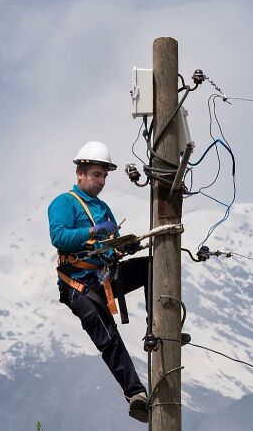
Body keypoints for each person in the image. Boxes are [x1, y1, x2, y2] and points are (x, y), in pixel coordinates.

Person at [48, 141, 150, 423]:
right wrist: (92, 230)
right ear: (80, 173)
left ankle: (156, 332)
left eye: (104, 175)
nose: (101, 180)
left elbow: (110, 243)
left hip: (104, 274)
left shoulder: (103, 208)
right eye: (96, 174)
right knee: (108, 336)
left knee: (151, 268)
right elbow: (59, 237)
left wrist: (121, 247)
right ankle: (136, 394)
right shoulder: (64, 203)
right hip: (78, 284)